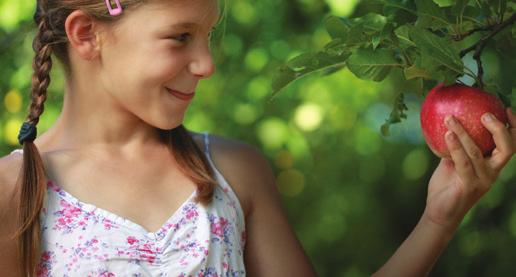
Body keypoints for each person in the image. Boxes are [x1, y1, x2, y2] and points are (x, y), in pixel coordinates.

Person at [0, 0, 514, 276]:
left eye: (208, 36)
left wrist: (439, 218)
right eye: (180, 36)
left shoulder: (231, 173)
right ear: (86, 34)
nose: (207, 64)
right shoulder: (14, 193)